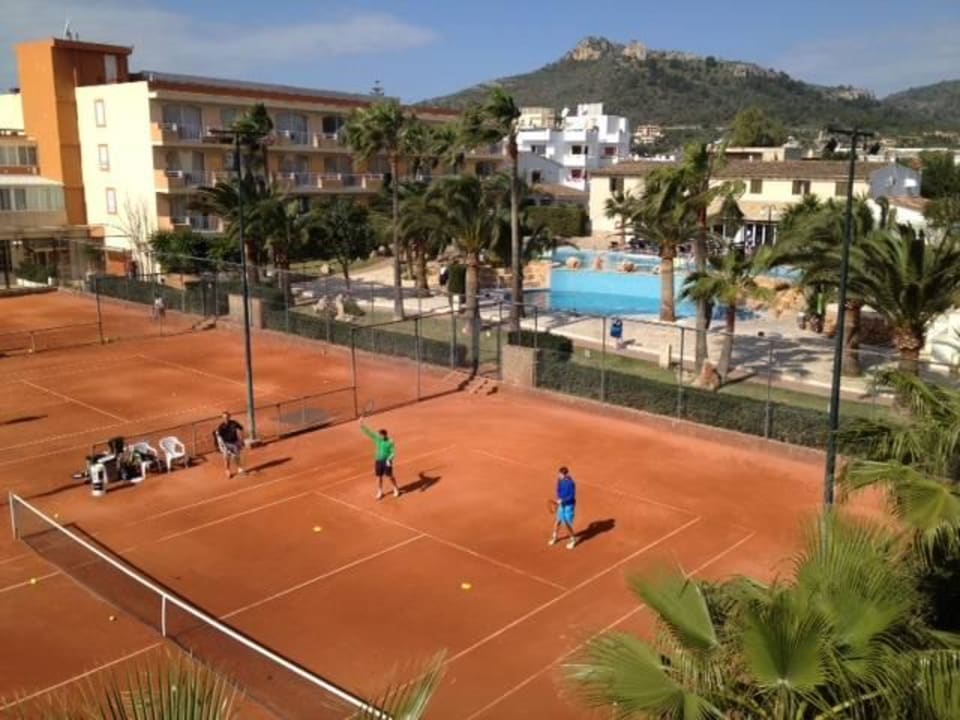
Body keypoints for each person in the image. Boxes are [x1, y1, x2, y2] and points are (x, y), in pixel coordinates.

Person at [360, 419, 399, 499]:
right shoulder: (377, 439)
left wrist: (389, 459)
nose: (380, 436)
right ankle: (380, 491)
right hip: (378, 461)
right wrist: (361, 424)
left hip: (387, 461)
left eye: (381, 435)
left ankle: (395, 488)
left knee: (389, 476)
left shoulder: (390, 442)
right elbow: (368, 433)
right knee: (378, 477)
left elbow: (393, 452)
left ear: (385, 435)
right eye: (379, 435)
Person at [549, 466, 578, 549]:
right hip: (562, 504)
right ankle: (554, 537)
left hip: (569, 505)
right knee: (558, 521)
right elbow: (558, 490)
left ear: (564, 474)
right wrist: (559, 498)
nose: (559, 475)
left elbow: (572, 496)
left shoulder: (571, 483)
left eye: (560, 474)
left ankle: (573, 540)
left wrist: (563, 500)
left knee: (567, 523)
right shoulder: (560, 480)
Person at [213, 411, 245, 478]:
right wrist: (221, 446)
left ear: (229, 417)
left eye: (227, 417)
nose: (226, 419)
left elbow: (241, 429)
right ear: (222, 418)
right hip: (226, 444)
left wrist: (241, 440)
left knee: (236, 456)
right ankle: (227, 470)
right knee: (226, 458)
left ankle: (239, 468)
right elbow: (219, 438)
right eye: (224, 417)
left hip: (235, 442)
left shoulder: (234, 423)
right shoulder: (221, 427)